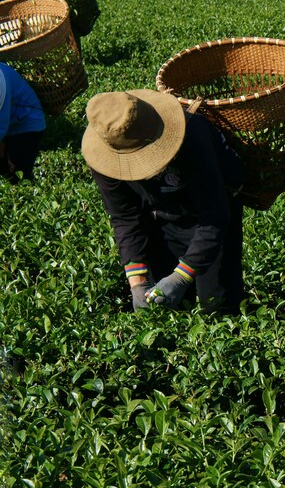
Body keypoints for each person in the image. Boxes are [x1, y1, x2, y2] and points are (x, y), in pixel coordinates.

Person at [81, 90, 245, 313]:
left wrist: (180, 277)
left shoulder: (193, 134)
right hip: (160, 217)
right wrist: (137, 283)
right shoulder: (104, 155)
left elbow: (215, 215)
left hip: (212, 217)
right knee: (168, 303)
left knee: (216, 302)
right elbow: (125, 217)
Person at [0, 62, 46, 184]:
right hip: (9, 123)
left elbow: (1, 127)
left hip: (26, 126)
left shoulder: (1, 81)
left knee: (17, 177)